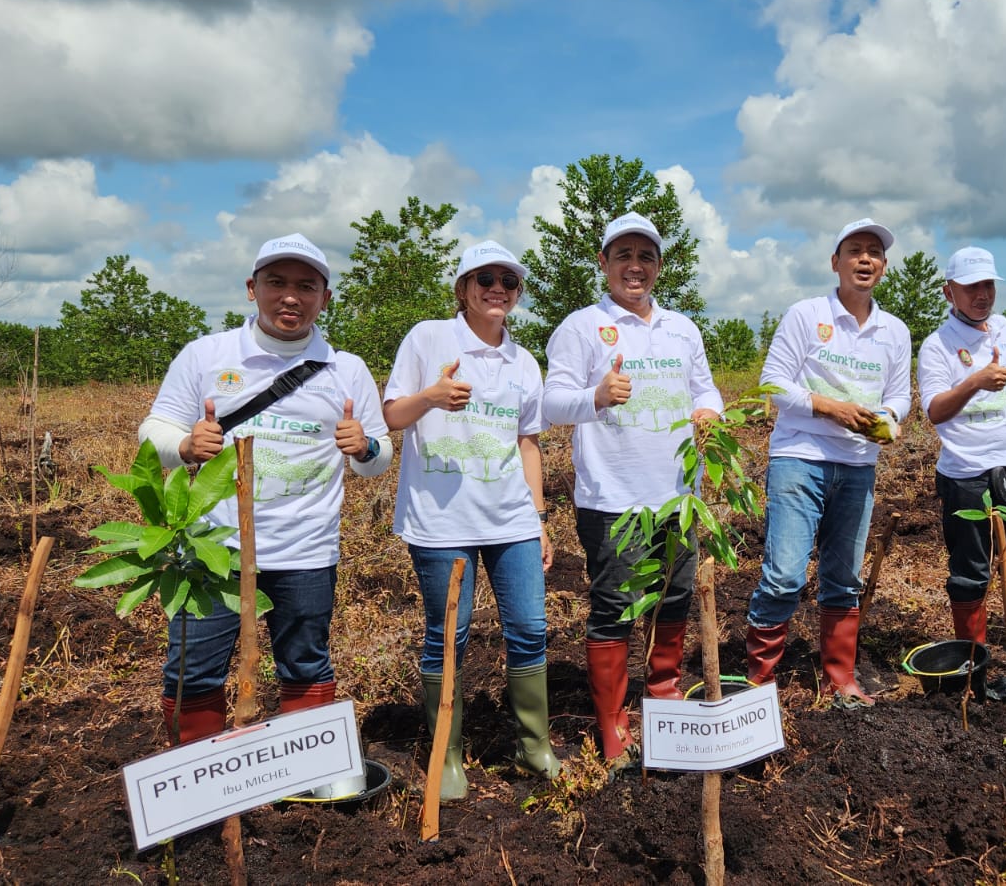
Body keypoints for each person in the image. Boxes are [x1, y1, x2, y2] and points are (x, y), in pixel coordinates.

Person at [138, 233, 392, 745]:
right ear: (252, 289)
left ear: (325, 297)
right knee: (193, 669)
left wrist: (364, 447)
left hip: (306, 550)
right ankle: (203, 771)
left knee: (305, 665)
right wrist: (185, 445)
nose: (290, 296)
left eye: (306, 286)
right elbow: (152, 433)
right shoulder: (206, 355)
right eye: (276, 283)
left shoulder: (346, 369)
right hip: (213, 550)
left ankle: (305, 772)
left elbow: (378, 459)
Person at [543, 212, 722, 770]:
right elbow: (551, 403)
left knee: (674, 596)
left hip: (678, 497)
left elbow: (705, 389)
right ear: (604, 263)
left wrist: (708, 412)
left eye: (646, 256)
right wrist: (596, 396)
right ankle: (614, 724)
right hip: (613, 499)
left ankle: (664, 696)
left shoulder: (682, 329)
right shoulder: (581, 327)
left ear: (659, 266)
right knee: (615, 607)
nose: (635, 266)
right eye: (623, 255)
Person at [383, 240, 558, 799]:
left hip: (511, 519)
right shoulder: (428, 338)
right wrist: (432, 397)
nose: (497, 289)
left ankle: (533, 746)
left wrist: (539, 517)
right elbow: (392, 415)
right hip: (441, 523)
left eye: (508, 281)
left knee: (529, 628)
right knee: (448, 637)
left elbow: (527, 443)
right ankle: (447, 756)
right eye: (485, 279)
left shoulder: (524, 362)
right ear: (463, 289)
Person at [744, 218, 912, 708]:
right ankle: (759, 681)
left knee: (844, 578)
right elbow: (773, 384)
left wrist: (889, 418)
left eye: (874, 252)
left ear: (884, 266)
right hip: (800, 459)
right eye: (855, 250)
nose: (865, 259)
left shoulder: (894, 331)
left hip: (858, 465)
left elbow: (900, 394)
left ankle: (841, 678)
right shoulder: (806, 315)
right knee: (784, 575)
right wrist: (830, 408)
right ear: (835, 262)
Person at [916, 247, 1006, 666]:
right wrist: (974, 382)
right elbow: (935, 411)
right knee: (970, 572)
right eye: (971, 287)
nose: (982, 294)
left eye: (988, 285)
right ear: (949, 292)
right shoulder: (937, 346)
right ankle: (973, 664)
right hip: (967, 476)